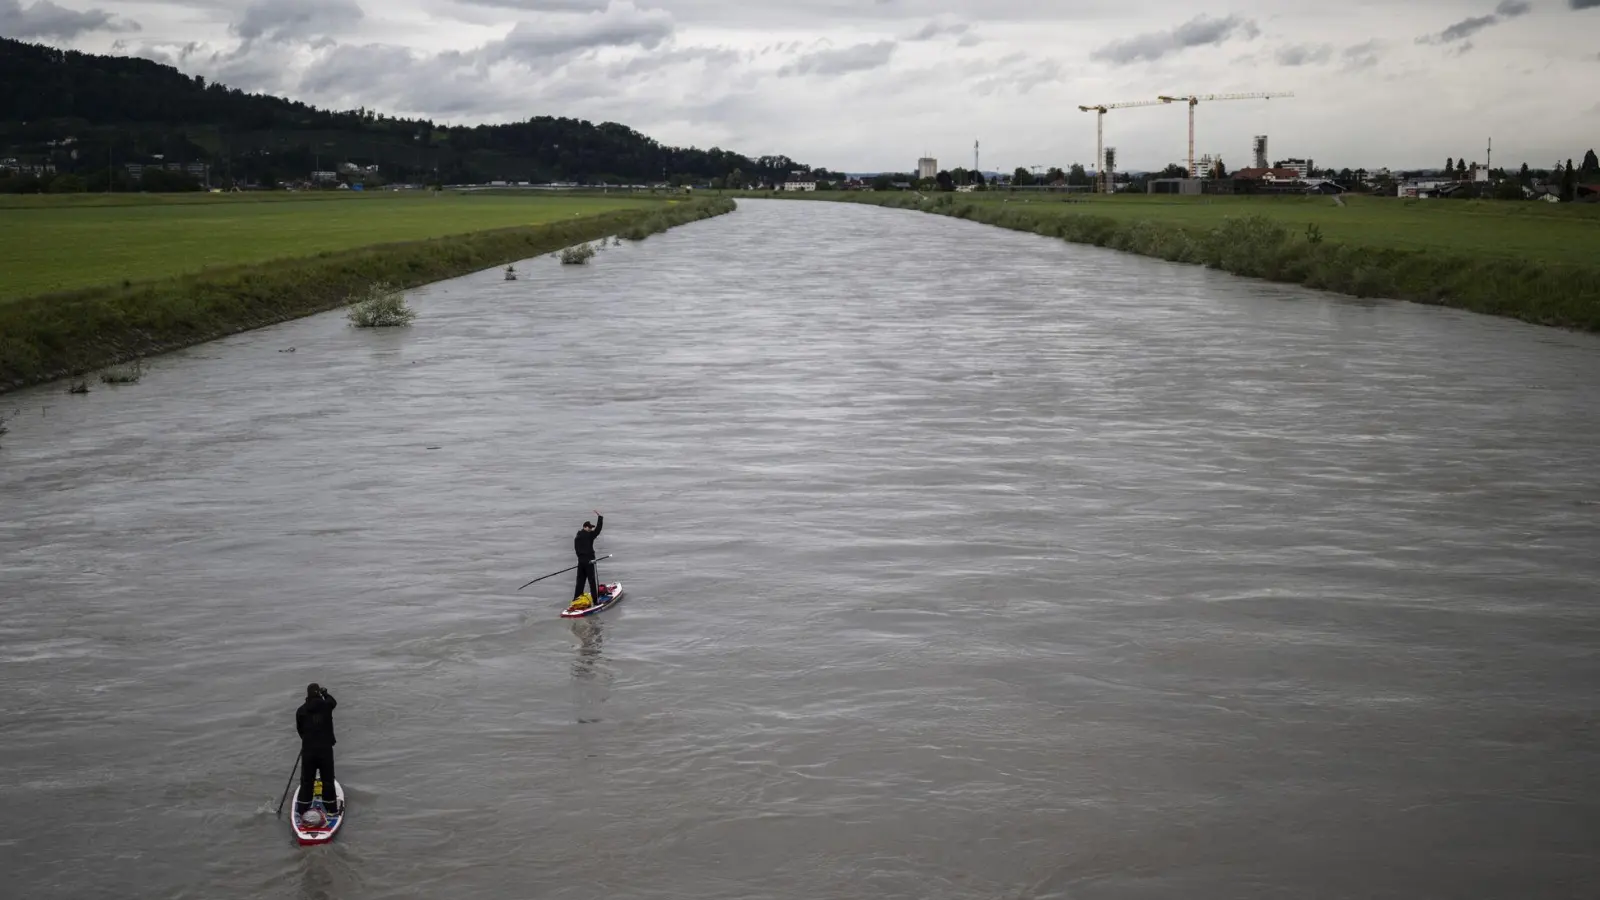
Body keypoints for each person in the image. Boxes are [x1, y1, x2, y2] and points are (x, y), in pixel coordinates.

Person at [295, 683, 340, 814]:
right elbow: (333, 701)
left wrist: (307, 740)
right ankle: (331, 808)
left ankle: (303, 809)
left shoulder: (301, 710)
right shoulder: (326, 706)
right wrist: (325, 693)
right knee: (328, 779)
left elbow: (300, 730)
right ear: (319, 693)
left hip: (308, 750)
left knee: (307, 780)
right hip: (325, 750)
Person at [573, 510, 604, 603]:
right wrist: (600, 518)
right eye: (589, 527)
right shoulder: (590, 535)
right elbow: (598, 530)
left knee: (580, 581)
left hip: (581, 562)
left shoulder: (577, 537)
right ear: (585, 527)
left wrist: (581, 559)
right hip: (590, 561)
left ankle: (576, 600)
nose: (591, 529)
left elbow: (577, 550)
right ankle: (595, 601)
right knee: (592, 581)